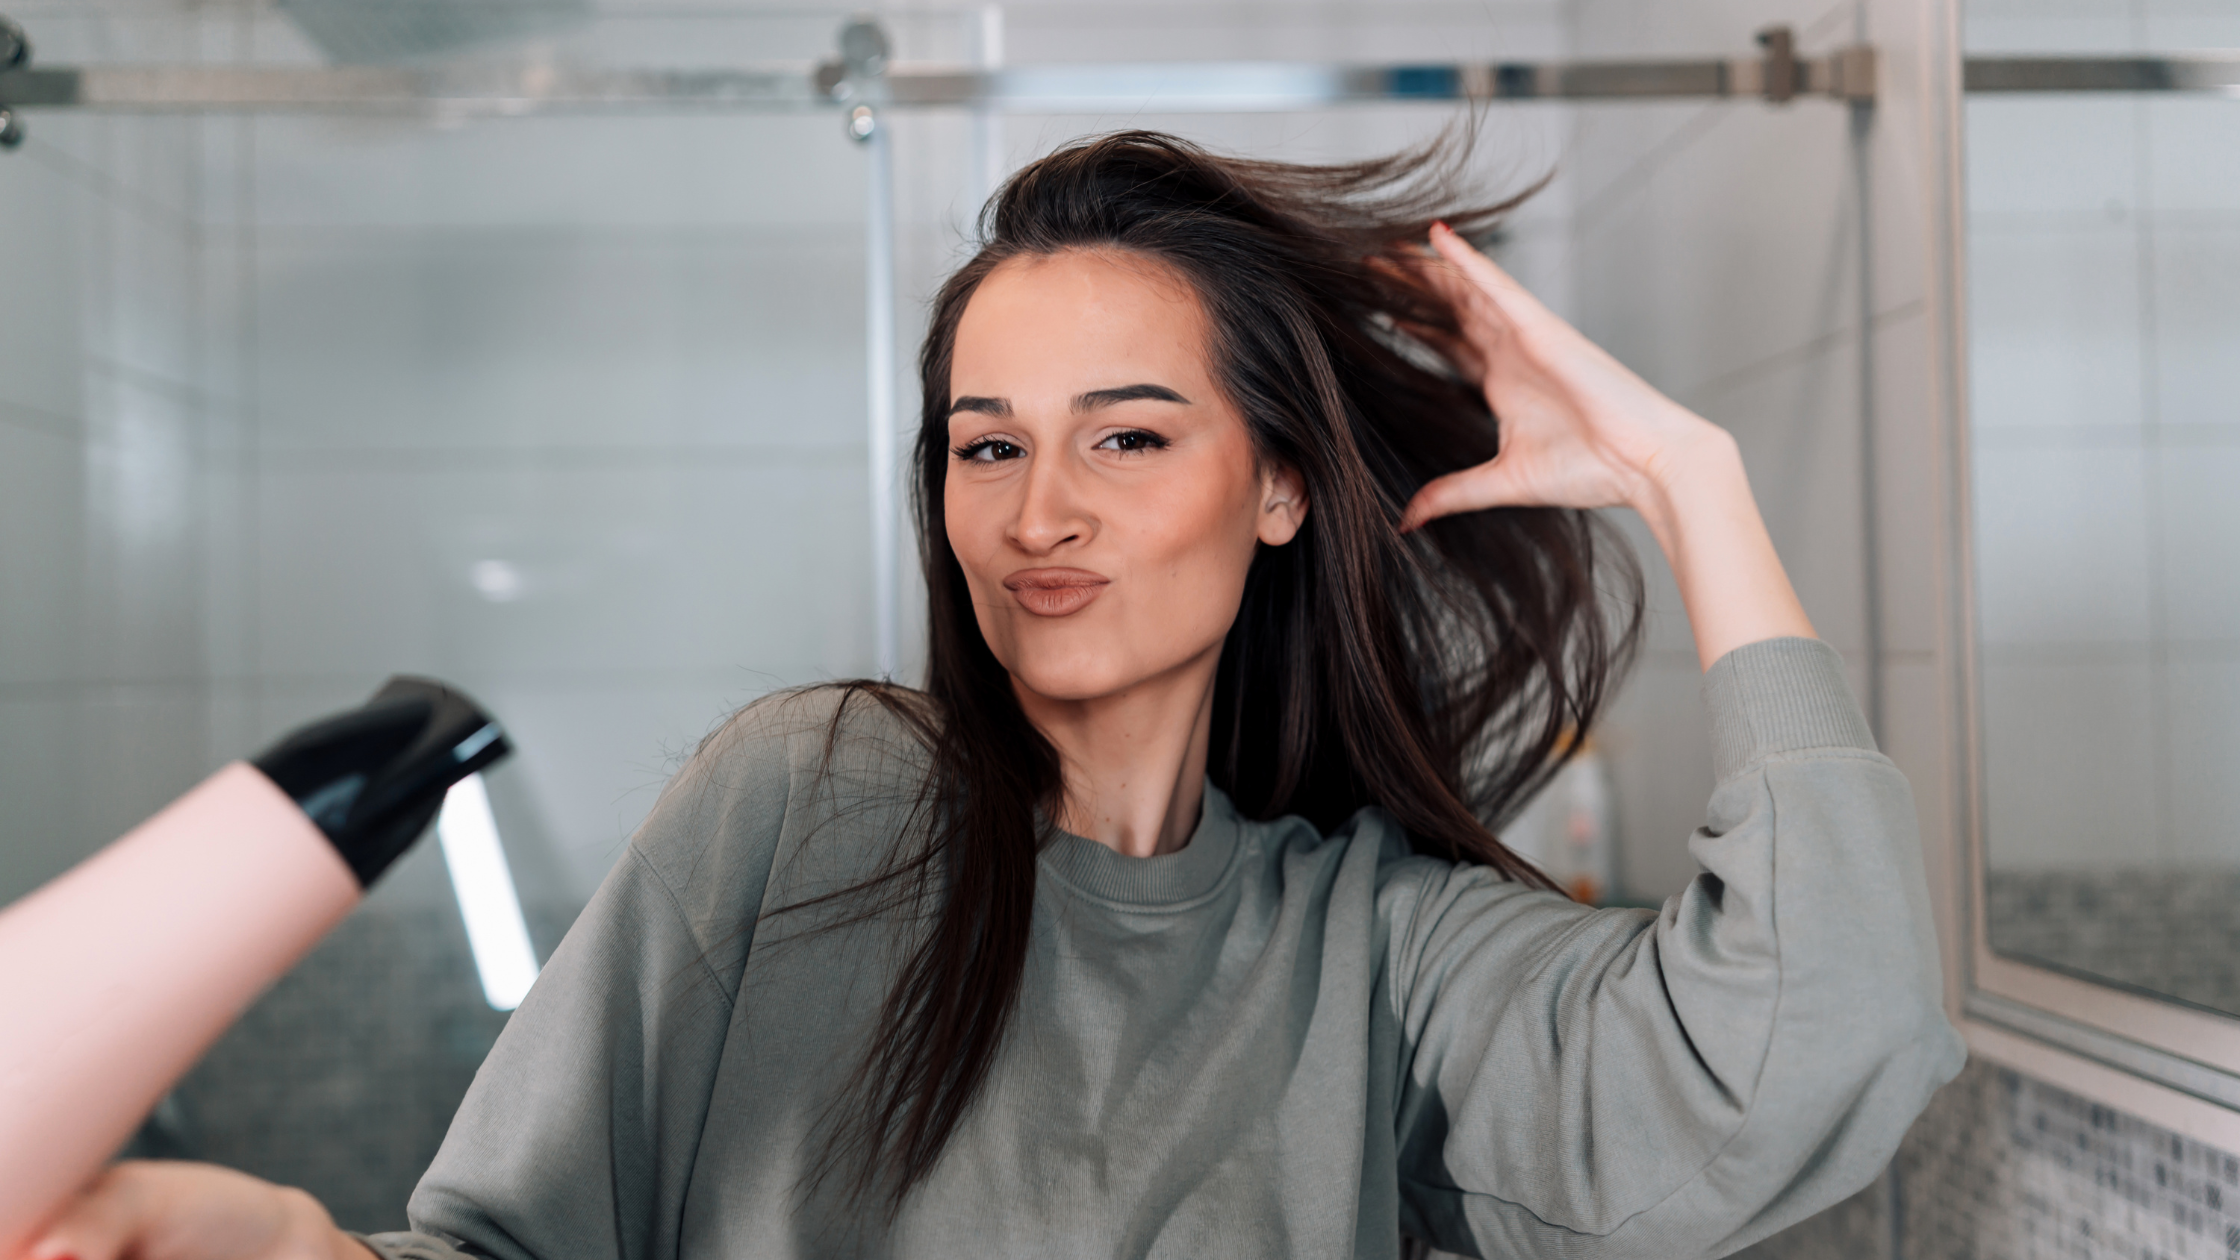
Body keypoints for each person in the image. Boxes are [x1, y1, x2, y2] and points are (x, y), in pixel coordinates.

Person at [29, 130, 1962, 1260]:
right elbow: (499, 1253)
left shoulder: (1384, 943)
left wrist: (1692, 486)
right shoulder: (807, 802)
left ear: (1281, 485)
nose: (1040, 512)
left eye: (1130, 438)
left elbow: (1813, 1055)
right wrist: (271, 1242)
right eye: (984, 445)